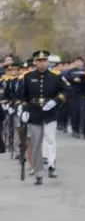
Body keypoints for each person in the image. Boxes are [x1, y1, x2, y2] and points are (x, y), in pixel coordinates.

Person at [17, 50, 70, 184]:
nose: (42, 63)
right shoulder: (28, 76)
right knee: (36, 144)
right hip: (34, 111)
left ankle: (51, 165)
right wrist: (24, 109)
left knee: (50, 139)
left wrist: (56, 101)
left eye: (44, 60)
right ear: (35, 62)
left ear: (47, 61)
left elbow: (67, 90)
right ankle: (38, 172)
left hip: (50, 111)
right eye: (39, 61)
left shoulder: (55, 76)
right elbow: (23, 95)